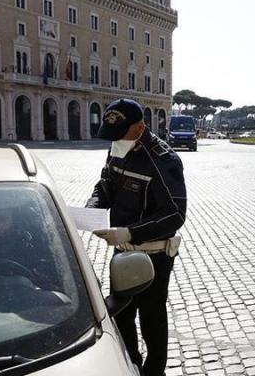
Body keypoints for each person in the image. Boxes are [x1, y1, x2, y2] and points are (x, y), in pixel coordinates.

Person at [86, 99, 186, 376]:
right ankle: (131, 364)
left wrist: (130, 232)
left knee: (152, 317)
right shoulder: (118, 146)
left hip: (153, 254)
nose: (114, 140)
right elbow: (104, 184)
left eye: (120, 133)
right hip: (123, 248)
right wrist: (92, 208)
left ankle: (154, 372)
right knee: (122, 313)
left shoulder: (164, 160)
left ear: (140, 127)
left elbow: (175, 214)